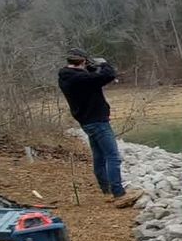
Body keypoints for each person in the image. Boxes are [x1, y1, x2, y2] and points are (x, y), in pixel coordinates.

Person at [58, 48, 143, 208]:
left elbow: (91, 77)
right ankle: (119, 194)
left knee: (99, 156)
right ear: (82, 61)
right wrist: (104, 64)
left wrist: (90, 67)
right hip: (97, 121)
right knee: (113, 157)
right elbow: (108, 75)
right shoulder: (81, 78)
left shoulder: (66, 76)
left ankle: (107, 191)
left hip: (87, 122)